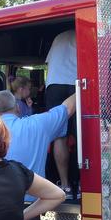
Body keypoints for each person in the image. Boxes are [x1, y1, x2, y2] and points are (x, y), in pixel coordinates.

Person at [0, 90, 76, 220]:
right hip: (27, 212)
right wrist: (81, 86)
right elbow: (67, 108)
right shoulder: (37, 124)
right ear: (17, 107)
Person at [45, 29, 77, 197]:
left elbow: (49, 63)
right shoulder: (86, 32)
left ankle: (65, 185)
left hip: (54, 85)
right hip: (77, 83)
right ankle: (82, 184)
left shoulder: (58, 36)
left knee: (60, 137)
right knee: (83, 134)